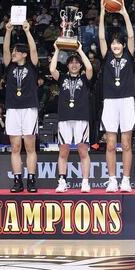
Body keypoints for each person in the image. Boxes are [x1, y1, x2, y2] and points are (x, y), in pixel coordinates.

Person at [98, 2, 135, 193]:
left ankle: (126, 180)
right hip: (110, 102)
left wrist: (124, 13)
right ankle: (112, 179)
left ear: (122, 45)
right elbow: (100, 37)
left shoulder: (129, 55)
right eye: (113, 42)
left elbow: (130, 35)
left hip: (127, 100)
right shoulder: (106, 57)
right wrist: (101, 13)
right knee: (111, 143)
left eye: (118, 42)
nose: (115, 45)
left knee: (127, 143)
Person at [49, 40, 94, 193]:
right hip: (64, 119)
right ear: (67, 65)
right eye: (71, 63)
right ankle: (62, 181)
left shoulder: (84, 79)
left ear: (80, 65)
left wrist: (80, 50)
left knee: (83, 151)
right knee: (63, 151)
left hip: (81, 118)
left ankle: (85, 182)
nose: (74, 65)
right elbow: (52, 68)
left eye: (77, 63)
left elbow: (89, 68)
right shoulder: (62, 78)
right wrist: (56, 50)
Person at [1, 22, 40, 193]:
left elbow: (33, 49)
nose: (13, 53)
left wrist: (27, 30)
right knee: (15, 147)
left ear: (24, 54)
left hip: (29, 108)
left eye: (16, 51)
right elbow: (4, 50)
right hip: (12, 109)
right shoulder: (9, 66)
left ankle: (31, 179)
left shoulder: (32, 65)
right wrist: (8, 31)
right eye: (13, 51)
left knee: (30, 147)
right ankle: (17, 180)